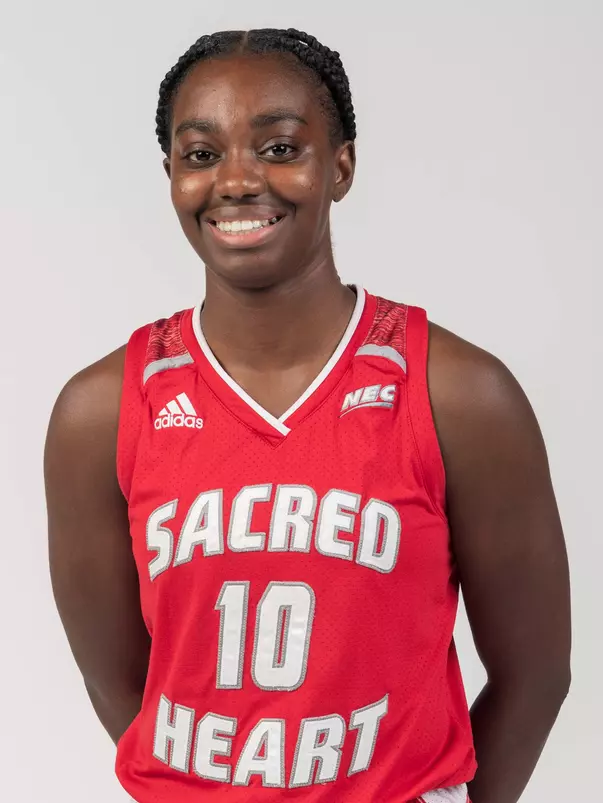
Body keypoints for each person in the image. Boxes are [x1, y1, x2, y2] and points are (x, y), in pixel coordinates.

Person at [44, 28, 571, 803]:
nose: (235, 180)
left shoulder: (458, 395)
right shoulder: (100, 412)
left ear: (340, 166)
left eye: (279, 148)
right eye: (200, 154)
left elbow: (535, 674)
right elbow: (117, 682)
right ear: (172, 177)